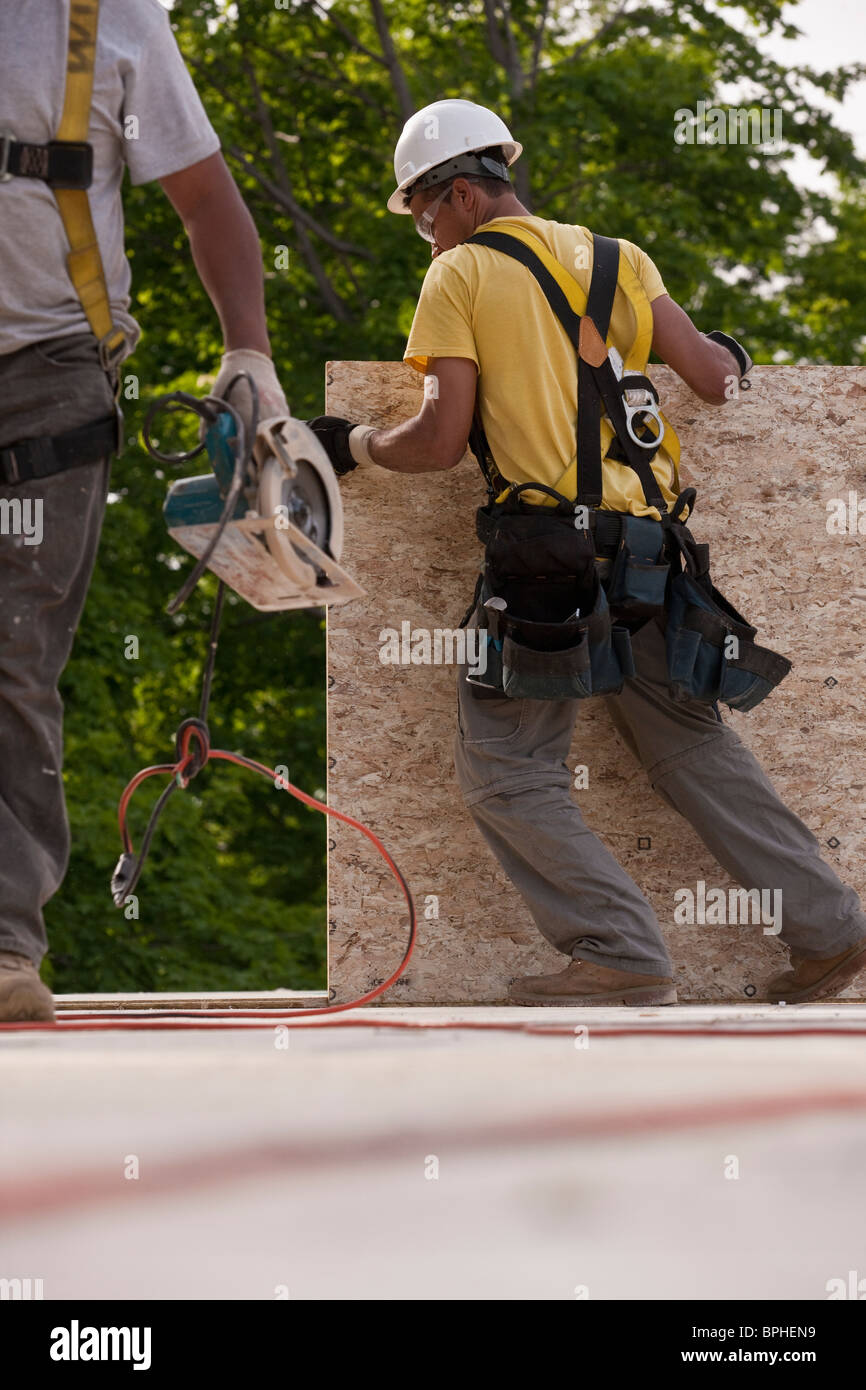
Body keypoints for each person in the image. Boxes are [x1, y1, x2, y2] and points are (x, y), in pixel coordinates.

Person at [308, 98, 866, 1007]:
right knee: (690, 748)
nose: (426, 236)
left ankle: (619, 952)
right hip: (653, 552)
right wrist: (729, 353)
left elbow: (443, 439)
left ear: (463, 196)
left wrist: (356, 446)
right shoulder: (618, 257)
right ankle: (832, 932)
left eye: (422, 214)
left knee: (508, 771)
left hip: (546, 564)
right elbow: (717, 382)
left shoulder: (460, 278)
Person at [0, 0, 288, 1023]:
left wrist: (246, 352)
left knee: (13, 658)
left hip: (47, 376)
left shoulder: (105, 17)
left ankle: (1, 947)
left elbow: (207, 201)